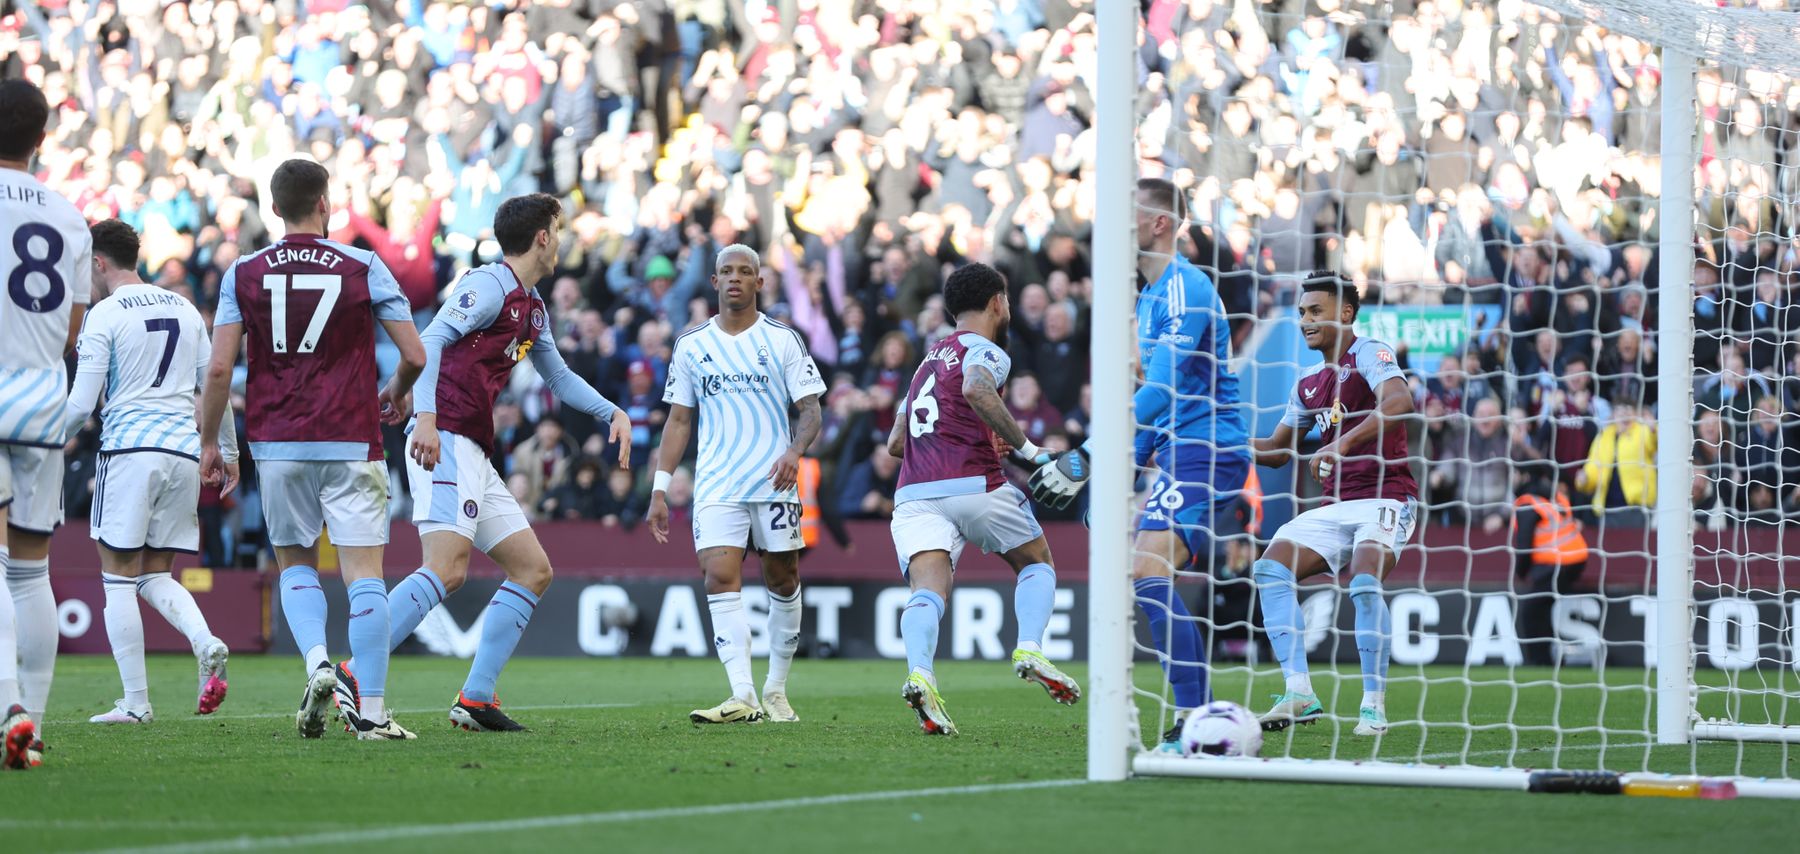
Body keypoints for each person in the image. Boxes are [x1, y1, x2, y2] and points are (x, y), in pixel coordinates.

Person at [341, 193, 630, 733]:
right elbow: (427, 341)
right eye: (559, 230)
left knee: (533, 570)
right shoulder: (488, 285)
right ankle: (355, 673)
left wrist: (610, 409)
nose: (562, 239)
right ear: (543, 236)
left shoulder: (532, 305)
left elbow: (560, 378)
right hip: (444, 435)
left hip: (472, 444)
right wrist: (424, 418)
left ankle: (475, 699)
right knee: (447, 570)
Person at [199, 159, 427, 741]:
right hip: (351, 436)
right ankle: (371, 712)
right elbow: (417, 356)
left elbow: (220, 366)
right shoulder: (363, 265)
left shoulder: (243, 272)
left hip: (277, 442)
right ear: (326, 204)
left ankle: (317, 663)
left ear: (274, 209)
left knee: (295, 563)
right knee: (364, 575)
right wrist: (396, 393)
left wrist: (209, 441)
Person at [1031, 178, 1250, 746]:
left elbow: (1159, 391)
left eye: (1126, 214)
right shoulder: (1148, 298)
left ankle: (1196, 719)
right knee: (1142, 577)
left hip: (1209, 446)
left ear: (1157, 224)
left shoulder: (1187, 289)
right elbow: (1152, 409)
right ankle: (1196, 716)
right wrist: (1116, 474)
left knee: (1148, 572)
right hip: (1175, 447)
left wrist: (1090, 452)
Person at [886, 261, 1080, 736]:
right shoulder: (985, 349)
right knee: (1036, 562)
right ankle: (1031, 647)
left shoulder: (925, 363)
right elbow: (975, 387)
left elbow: (895, 443)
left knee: (926, 591)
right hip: (974, 484)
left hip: (913, 493)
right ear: (998, 302)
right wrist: (1030, 451)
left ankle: (920, 674)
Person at [646, 244, 826, 724]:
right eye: (726, 271)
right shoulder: (692, 345)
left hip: (773, 481)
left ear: (759, 283)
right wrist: (660, 487)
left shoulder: (783, 339)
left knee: (782, 580)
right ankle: (742, 695)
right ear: (714, 282)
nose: (735, 279)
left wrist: (794, 451)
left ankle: (777, 689)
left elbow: (811, 410)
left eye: (745, 272)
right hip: (717, 483)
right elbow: (679, 421)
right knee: (718, 578)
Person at [64, 219, 235, 724]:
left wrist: (39, 437)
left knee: (117, 579)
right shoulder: (183, 306)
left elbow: (80, 406)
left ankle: (136, 703)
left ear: (98, 262)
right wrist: (226, 451)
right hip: (184, 451)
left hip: (129, 451)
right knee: (153, 573)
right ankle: (205, 640)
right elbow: (215, 385)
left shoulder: (104, 313)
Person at [1246, 270, 1419, 737]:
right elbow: (1280, 449)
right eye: (1302, 313)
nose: (1305, 321)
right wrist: (1225, 444)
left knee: (1363, 583)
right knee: (1270, 568)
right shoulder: (1306, 382)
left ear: (1345, 312)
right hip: (1335, 505)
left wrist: (1341, 445)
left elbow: (1400, 401)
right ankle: (1299, 692)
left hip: (1386, 495)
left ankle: (1373, 705)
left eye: (1315, 311)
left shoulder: (1370, 352)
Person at [0, 79, 93, 769]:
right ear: (42, 139)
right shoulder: (68, 216)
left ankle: (6, 708)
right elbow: (73, 330)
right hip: (40, 397)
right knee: (31, 572)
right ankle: (33, 721)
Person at [1510, 464, 1588, 667]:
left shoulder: (1528, 503)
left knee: (1531, 611)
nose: (1512, 478)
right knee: (1542, 608)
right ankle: (1551, 658)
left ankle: (1540, 661)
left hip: (1558, 562)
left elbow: (1524, 544)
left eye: (1514, 473)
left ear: (1524, 475)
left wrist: (1522, 571)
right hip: (1577, 558)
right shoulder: (1554, 497)